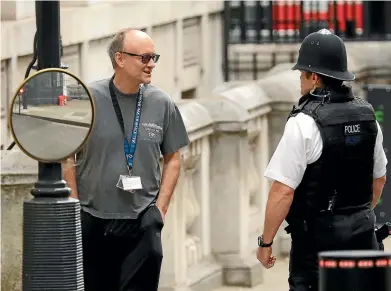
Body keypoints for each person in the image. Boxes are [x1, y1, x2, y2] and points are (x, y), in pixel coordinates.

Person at [255, 29, 387, 290]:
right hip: (363, 240)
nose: (300, 81)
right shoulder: (368, 117)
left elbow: (282, 191)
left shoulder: (304, 123)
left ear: (314, 77)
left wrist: (266, 243)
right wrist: (356, 216)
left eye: (302, 74)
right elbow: (379, 179)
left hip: (317, 247)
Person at [63, 29, 190, 291]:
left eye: (153, 57)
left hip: (143, 219)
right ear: (120, 59)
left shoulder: (162, 102)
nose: (151, 64)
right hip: (93, 217)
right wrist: (74, 206)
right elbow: (67, 155)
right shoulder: (86, 98)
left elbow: (174, 158)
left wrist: (160, 209)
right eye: (144, 58)